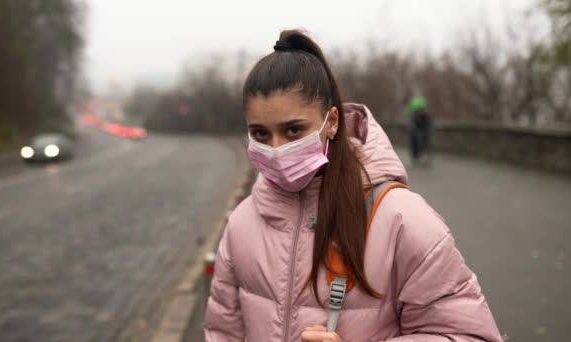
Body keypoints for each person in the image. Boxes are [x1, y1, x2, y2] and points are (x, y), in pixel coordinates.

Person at [205, 30, 501, 342]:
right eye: (261, 134)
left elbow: (469, 334)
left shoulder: (402, 219)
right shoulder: (241, 224)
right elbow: (222, 333)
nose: (276, 149)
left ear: (331, 121)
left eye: (293, 130)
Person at [407, 96, 432, 167]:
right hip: (415, 132)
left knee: (424, 142)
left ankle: (424, 156)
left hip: (424, 132)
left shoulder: (425, 114)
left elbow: (428, 124)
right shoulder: (414, 115)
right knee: (415, 143)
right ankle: (416, 157)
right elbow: (413, 124)